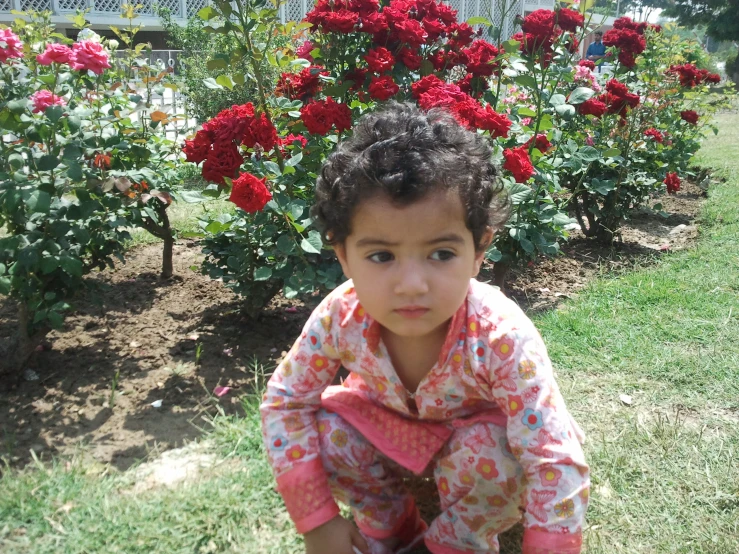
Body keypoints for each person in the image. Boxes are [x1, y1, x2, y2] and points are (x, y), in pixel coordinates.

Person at [260, 102, 589, 554]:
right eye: (381, 256)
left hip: (477, 451)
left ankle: (455, 541)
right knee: (329, 430)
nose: (411, 286)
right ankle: (389, 525)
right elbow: (285, 402)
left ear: (478, 250)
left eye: (441, 254)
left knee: (499, 453)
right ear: (343, 255)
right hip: (390, 436)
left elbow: (551, 452)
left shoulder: (501, 335)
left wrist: (552, 544)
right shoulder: (341, 315)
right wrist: (316, 523)